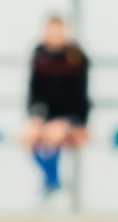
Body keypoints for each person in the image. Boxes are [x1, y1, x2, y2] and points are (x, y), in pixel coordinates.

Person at [21, 15, 89, 198]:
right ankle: (51, 178)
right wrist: (36, 117)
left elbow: (79, 98)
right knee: (28, 135)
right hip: (47, 116)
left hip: (71, 117)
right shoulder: (39, 56)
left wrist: (68, 121)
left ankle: (52, 180)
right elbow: (34, 93)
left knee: (54, 135)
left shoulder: (76, 57)